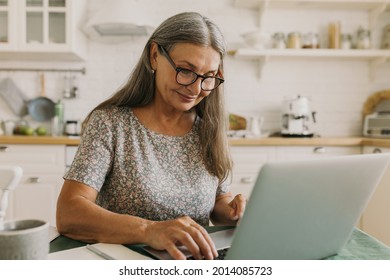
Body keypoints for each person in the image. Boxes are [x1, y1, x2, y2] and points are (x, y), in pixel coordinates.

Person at [56, 12, 246, 260]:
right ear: (154, 56)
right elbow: (69, 214)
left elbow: (219, 200)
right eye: (185, 71)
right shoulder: (110, 124)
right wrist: (149, 230)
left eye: (208, 77)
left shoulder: (208, 129)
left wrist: (231, 212)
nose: (197, 88)